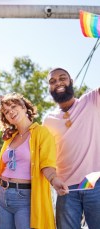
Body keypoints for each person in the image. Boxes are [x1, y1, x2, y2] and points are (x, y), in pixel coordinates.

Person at [0, 92, 68, 229]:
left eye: (13, 107)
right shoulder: (10, 138)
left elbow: (47, 164)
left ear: (23, 107)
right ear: (6, 119)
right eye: (6, 112)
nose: (10, 112)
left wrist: (54, 179)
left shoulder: (42, 133)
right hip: (1, 194)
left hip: (25, 198)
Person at [43, 67, 100, 229]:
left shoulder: (92, 100)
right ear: (50, 88)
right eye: (52, 81)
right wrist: (53, 180)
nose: (58, 83)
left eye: (62, 78)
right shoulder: (48, 120)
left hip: (96, 184)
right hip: (66, 190)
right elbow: (44, 157)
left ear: (71, 82)